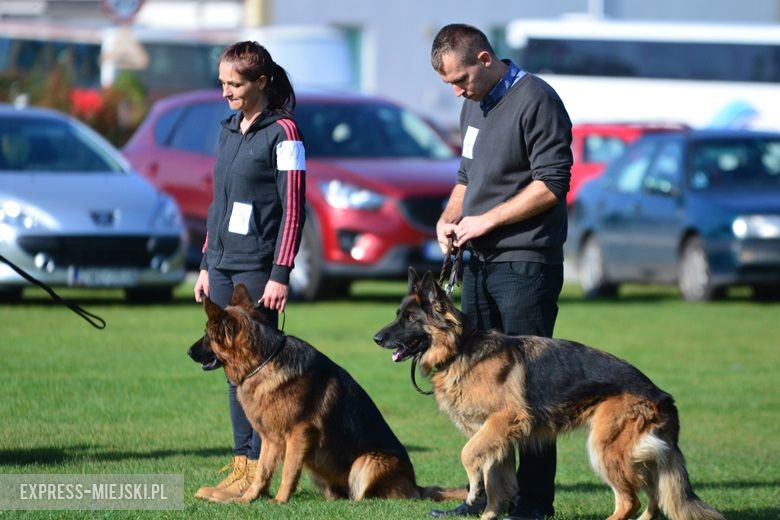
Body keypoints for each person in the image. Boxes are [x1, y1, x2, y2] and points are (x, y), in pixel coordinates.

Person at [429, 24, 572, 520]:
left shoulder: (538, 99)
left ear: (486, 58)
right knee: (481, 389)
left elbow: (552, 184)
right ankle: (487, 499)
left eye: (461, 79)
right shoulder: (476, 101)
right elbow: (467, 177)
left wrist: (486, 220)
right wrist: (450, 220)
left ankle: (534, 506)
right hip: (478, 263)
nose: (456, 91)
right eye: (450, 84)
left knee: (527, 390)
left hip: (524, 262)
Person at [192, 40, 306, 503]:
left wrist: (280, 272)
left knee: (259, 376)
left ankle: (260, 472)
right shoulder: (227, 129)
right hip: (219, 265)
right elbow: (217, 204)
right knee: (230, 367)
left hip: (258, 270)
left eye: (235, 84)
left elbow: (294, 208)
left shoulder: (285, 134)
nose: (226, 92)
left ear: (261, 82)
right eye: (222, 83)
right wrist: (204, 262)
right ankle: (241, 465)